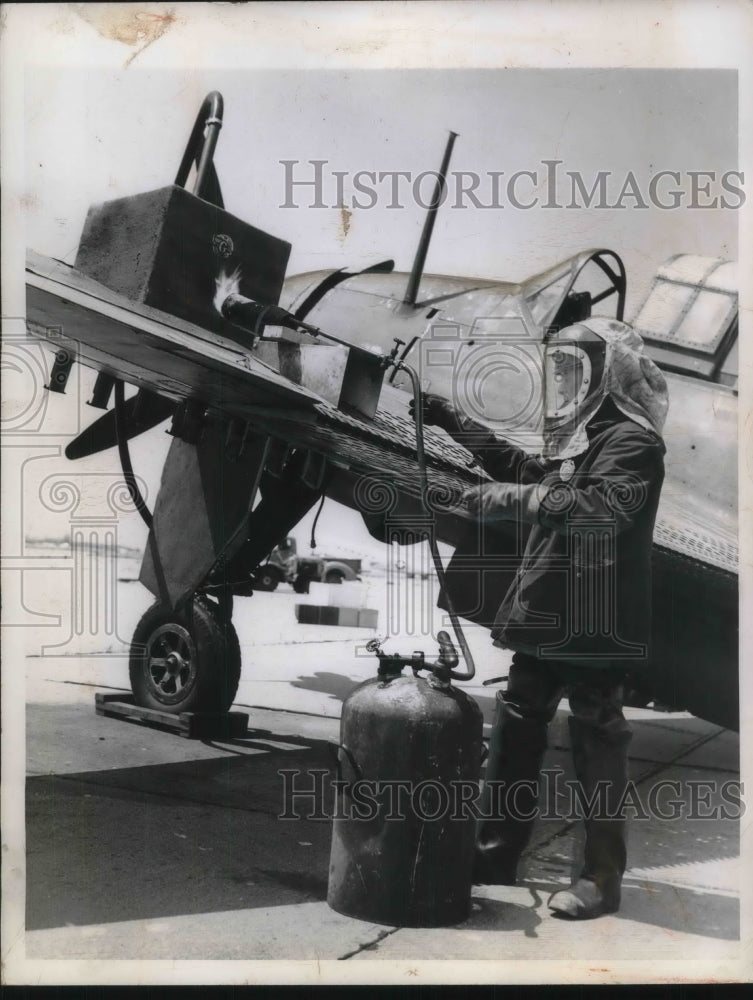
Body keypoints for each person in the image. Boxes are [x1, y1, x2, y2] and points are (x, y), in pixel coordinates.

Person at [412, 317, 668, 919]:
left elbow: (597, 510)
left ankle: (602, 881)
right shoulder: (589, 439)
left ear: (606, 373)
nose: (560, 381)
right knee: (517, 730)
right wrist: (456, 422)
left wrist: (501, 499)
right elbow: (531, 473)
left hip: (593, 624)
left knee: (598, 740)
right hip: (548, 614)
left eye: (571, 369)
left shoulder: (633, 443)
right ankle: (495, 855)